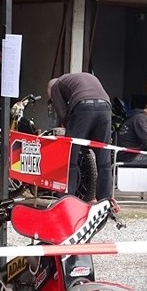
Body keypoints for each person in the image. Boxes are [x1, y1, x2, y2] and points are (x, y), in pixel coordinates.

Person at [47, 72, 113, 200]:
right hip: (105, 107)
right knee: (104, 158)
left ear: (50, 91)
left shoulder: (55, 86)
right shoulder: (79, 78)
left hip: (83, 106)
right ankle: (105, 200)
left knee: (70, 157)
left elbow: (63, 114)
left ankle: (67, 198)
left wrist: (72, 131)